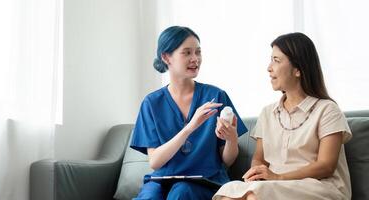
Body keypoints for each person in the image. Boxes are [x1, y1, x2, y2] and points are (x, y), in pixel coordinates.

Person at [213, 32, 352, 200]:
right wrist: (258, 172)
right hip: (275, 186)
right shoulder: (267, 113)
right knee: (229, 191)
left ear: (298, 70)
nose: (269, 67)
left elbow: (326, 166)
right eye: (271, 59)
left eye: (276, 60)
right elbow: (259, 159)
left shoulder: (328, 110)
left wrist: (278, 177)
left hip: (318, 186)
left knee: (253, 195)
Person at [130, 26, 248, 200]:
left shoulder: (216, 96)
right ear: (166, 57)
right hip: (161, 180)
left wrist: (231, 139)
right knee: (149, 197)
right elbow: (155, 162)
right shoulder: (152, 103)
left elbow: (227, 161)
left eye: (198, 52)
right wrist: (190, 127)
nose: (195, 59)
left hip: (207, 181)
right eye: (187, 53)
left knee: (181, 192)